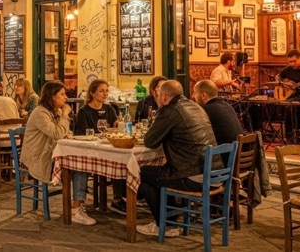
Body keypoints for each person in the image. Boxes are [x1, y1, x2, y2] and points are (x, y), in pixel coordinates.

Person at [137, 80, 220, 238]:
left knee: (139, 172)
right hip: (215, 173)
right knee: (158, 175)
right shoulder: (195, 106)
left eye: (159, 96)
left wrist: (159, 115)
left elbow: (150, 142)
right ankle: (170, 221)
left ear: (165, 97)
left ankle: (165, 225)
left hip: (194, 175)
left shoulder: (169, 110)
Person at [22, 81, 95, 225]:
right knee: (79, 168)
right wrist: (66, 115)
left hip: (52, 156)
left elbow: (65, 133)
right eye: (62, 94)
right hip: (39, 159)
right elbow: (57, 133)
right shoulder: (40, 112)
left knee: (82, 166)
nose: (65, 97)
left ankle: (77, 203)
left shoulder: (55, 112)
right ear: (52, 97)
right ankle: (76, 210)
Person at [74, 79, 126, 215]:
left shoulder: (109, 108)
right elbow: (82, 134)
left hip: (107, 148)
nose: (105, 94)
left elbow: (116, 127)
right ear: (92, 93)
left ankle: (118, 199)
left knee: (120, 161)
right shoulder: (84, 112)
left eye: (107, 91)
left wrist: (117, 126)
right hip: (91, 152)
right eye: (101, 91)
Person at [192, 79, 243, 164]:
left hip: (225, 162)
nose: (193, 96)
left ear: (204, 95)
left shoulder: (204, 110)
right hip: (238, 158)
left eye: (195, 92)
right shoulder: (227, 106)